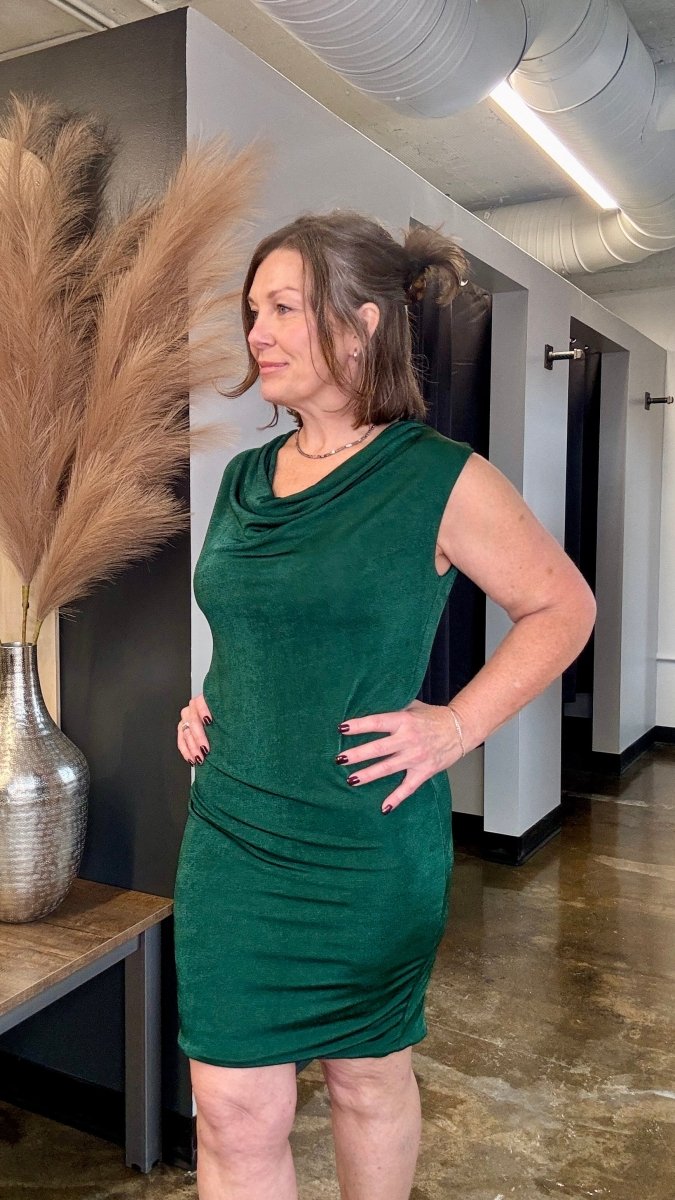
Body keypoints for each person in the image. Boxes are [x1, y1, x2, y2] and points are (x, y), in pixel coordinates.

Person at [172, 210, 596, 1200]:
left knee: (365, 1080)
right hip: (231, 837)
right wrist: (212, 697)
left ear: (361, 325)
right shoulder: (243, 480)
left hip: (362, 845)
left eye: (284, 309)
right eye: (252, 311)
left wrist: (457, 723)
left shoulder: (439, 477)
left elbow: (562, 607)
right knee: (231, 1109)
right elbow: (259, 627)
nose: (257, 333)